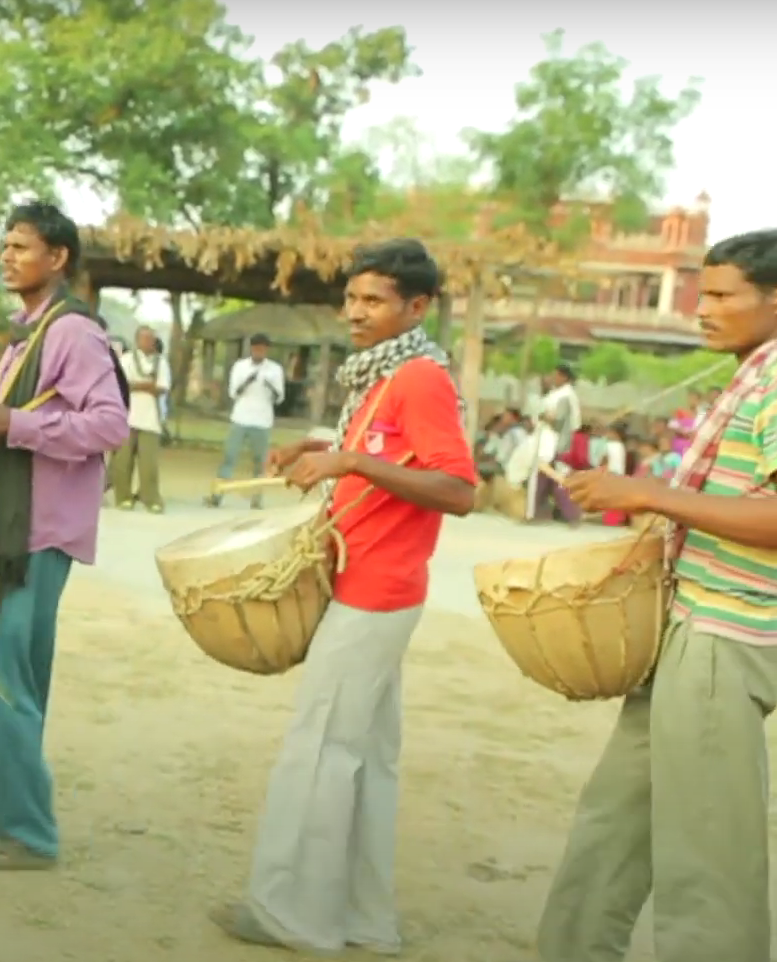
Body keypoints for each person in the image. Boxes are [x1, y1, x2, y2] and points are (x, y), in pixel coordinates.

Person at [209, 239, 475, 955]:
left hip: (376, 588)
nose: (353, 313)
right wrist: (321, 444)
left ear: (415, 308)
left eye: (372, 301)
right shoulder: (385, 374)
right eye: (351, 298)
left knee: (320, 747)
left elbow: (458, 489)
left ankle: (291, 916)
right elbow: (390, 453)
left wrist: (351, 459)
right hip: (371, 583)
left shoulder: (417, 377)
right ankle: (360, 918)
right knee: (362, 756)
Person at [529, 229, 777, 962]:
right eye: (702, 294)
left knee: (706, 855)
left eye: (724, 296)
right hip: (686, 625)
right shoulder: (751, 374)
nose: (703, 310)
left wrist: (649, 493)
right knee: (610, 827)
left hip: (724, 638)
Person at [0, 200, 128, 871]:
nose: (7, 256)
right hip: (20, 525)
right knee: (5, 671)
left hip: (40, 529)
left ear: (57, 257)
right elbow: (14, 406)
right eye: (5, 245)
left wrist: (13, 424)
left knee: (3, 673)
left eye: (21, 246)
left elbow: (107, 425)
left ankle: (27, 832)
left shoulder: (72, 333)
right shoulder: (29, 334)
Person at [209, 332, 285, 508]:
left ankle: (256, 498)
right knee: (230, 457)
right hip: (241, 418)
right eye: (257, 348)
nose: (260, 351)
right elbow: (233, 392)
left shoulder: (274, 369)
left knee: (260, 461)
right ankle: (218, 495)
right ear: (251, 349)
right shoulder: (240, 366)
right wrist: (248, 382)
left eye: (263, 349)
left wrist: (270, 386)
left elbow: (280, 397)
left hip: (262, 420)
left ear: (267, 350)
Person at [109, 326, 167, 512]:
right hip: (127, 417)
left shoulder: (161, 362)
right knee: (122, 461)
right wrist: (146, 385)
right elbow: (120, 386)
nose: (148, 342)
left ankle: (151, 498)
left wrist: (138, 385)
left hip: (150, 419)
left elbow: (162, 388)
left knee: (148, 463)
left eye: (151, 339)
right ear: (137, 340)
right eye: (144, 338)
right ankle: (123, 497)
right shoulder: (126, 360)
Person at [527, 364, 582, 523]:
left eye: (556, 375)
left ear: (564, 377)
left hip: (557, 443)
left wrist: (542, 416)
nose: (553, 378)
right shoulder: (556, 393)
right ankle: (537, 512)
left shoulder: (566, 396)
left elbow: (559, 422)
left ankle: (571, 515)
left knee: (555, 481)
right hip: (548, 442)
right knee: (546, 479)